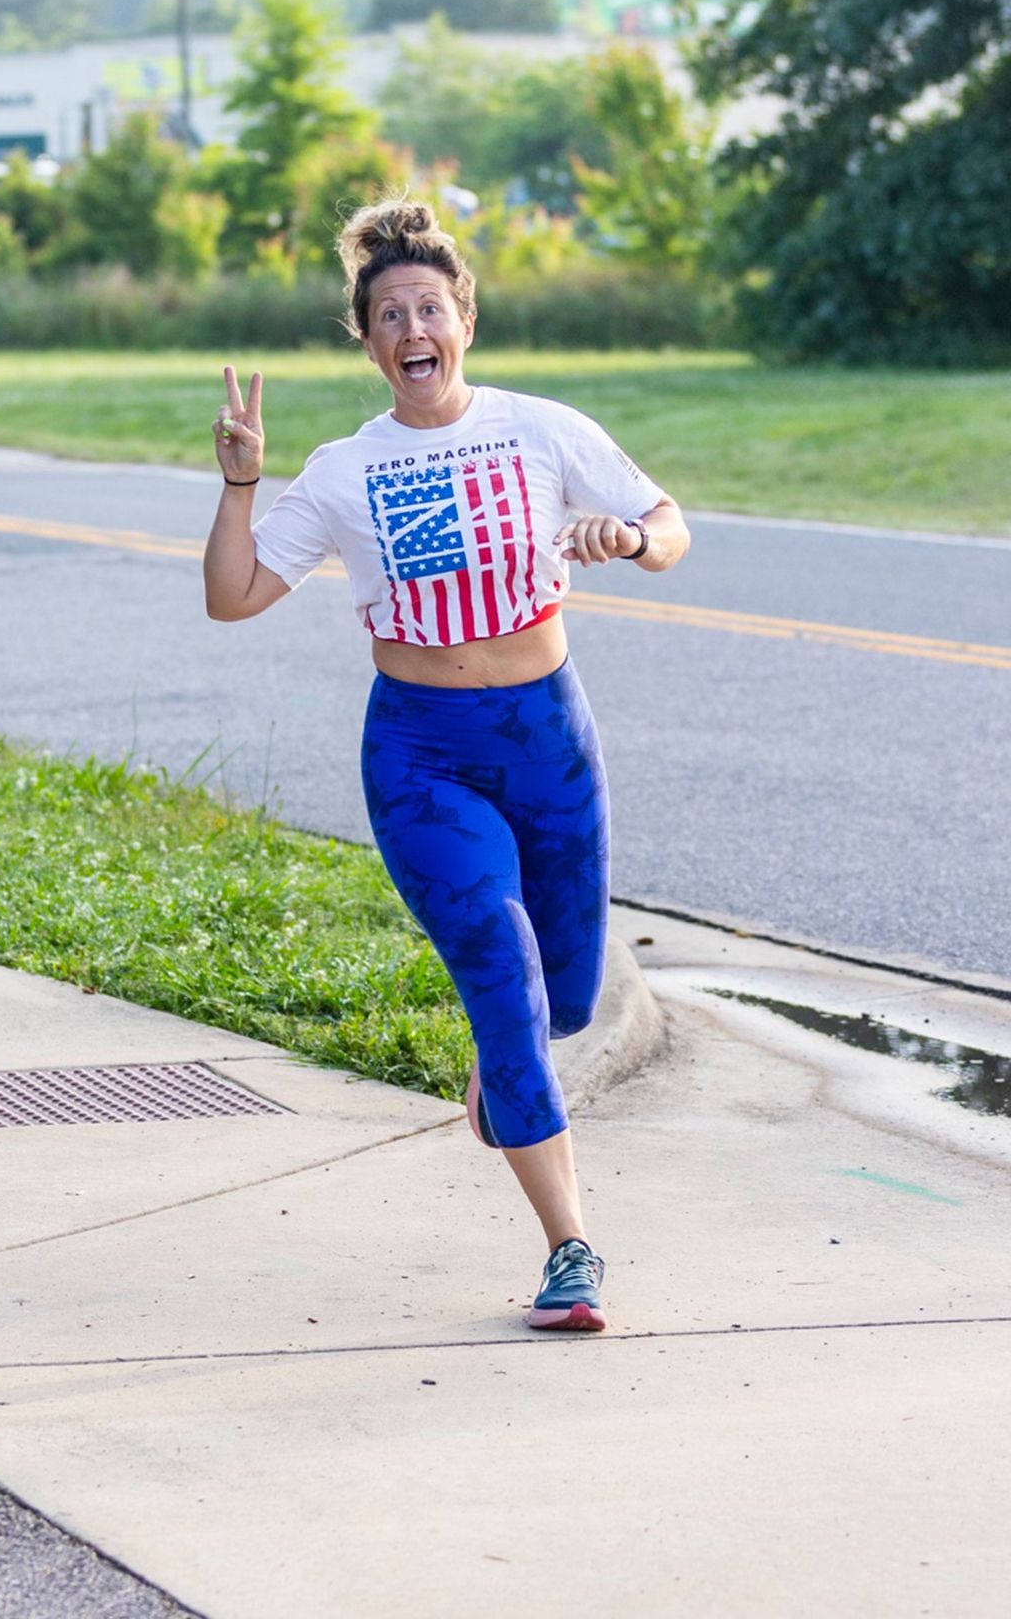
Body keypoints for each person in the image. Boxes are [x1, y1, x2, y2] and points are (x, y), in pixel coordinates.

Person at [203, 197, 688, 1330]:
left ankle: (504, 1075)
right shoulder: (339, 472)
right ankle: (571, 1247)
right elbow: (233, 599)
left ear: (462, 319)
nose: (412, 326)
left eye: (431, 305)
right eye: (388, 314)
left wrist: (632, 539)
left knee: (565, 998)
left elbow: (667, 523)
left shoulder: (540, 429)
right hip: (421, 752)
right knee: (506, 985)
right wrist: (239, 484)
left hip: (548, 739)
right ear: (367, 342)